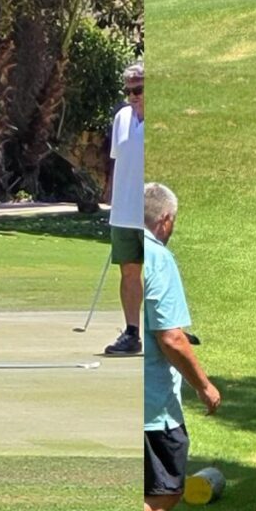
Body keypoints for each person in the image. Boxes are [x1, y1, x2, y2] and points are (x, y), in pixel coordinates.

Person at [142, 182, 221, 511]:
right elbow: (171, 338)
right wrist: (203, 386)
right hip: (151, 405)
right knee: (166, 489)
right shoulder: (158, 258)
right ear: (166, 219)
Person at [105, 61, 145, 355]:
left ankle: (168, 331)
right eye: (128, 90)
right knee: (129, 272)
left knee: (159, 273)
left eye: (139, 89)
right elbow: (117, 161)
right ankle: (132, 333)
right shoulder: (122, 118)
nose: (132, 95)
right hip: (124, 211)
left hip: (152, 212)